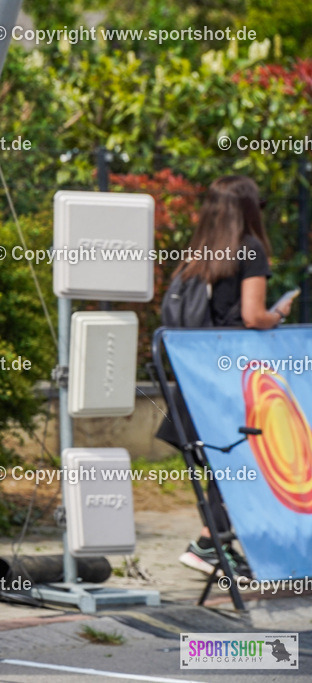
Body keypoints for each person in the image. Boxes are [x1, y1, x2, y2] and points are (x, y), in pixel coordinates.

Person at [157, 175, 292, 576]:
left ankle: (211, 541)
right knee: (240, 454)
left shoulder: (197, 254)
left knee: (222, 459)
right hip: (233, 372)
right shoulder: (249, 250)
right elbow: (252, 316)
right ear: (249, 209)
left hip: (196, 372)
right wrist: (279, 313)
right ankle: (209, 542)